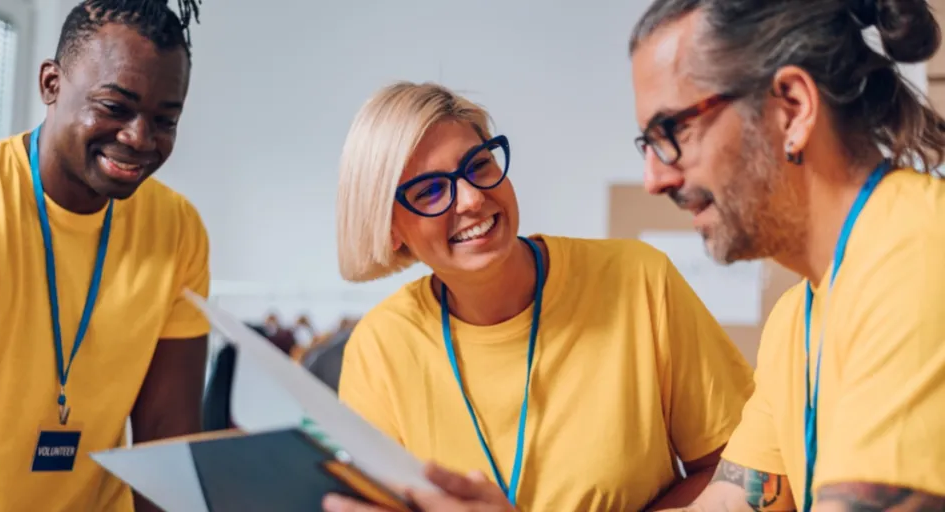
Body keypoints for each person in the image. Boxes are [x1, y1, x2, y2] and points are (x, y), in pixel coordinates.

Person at [322, 81, 756, 512]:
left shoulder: (639, 280)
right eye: (431, 191)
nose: (472, 199)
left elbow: (746, 472)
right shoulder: (379, 348)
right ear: (391, 229)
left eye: (479, 165)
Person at [626, 0, 945, 510]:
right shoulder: (795, 319)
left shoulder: (920, 253)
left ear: (792, 108)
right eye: (648, 143)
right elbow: (733, 503)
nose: (654, 179)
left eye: (674, 131)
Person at [0, 0, 211, 510]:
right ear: (51, 84)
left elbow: (166, 437)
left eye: (164, 119)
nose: (138, 138)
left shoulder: (179, 229)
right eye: (114, 107)